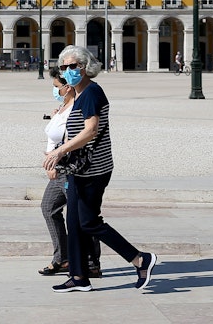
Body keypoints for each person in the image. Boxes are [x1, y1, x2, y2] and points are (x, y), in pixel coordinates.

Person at [43, 45, 157, 293]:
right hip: (78, 169)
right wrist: (60, 150)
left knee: (89, 222)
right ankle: (79, 276)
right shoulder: (78, 94)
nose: (68, 71)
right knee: (74, 222)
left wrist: (60, 151)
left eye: (73, 66)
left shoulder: (92, 92)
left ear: (85, 67)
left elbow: (91, 130)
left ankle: (140, 259)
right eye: (64, 67)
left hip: (94, 170)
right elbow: (73, 129)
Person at [39, 68, 101, 277]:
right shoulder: (63, 106)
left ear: (67, 87)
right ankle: (63, 257)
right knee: (49, 208)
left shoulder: (77, 107)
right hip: (56, 168)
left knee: (82, 215)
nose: (54, 91)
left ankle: (91, 263)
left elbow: (79, 136)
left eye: (57, 87)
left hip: (68, 168)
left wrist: (56, 159)